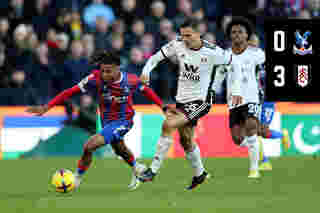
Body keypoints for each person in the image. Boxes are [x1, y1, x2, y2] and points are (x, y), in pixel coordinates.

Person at [26, 51, 168, 191]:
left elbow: (147, 91)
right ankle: (137, 168)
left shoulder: (130, 80)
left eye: (108, 71)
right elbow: (69, 92)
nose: (104, 74)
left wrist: (163, 107)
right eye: (102, 71)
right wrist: (47, 107)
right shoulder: (95, 78)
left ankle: (77, 178)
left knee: (89, 146)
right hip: (106, 120)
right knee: (119, 148)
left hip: (124, 120)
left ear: (118, 68)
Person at [138, 19, 242, 190]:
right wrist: (145, 71)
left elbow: (235, 63)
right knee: (186, 140)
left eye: (188, 35)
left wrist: (236, 89)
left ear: (198, 33)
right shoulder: (177, 44)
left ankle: (152, 170)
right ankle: (200, 174)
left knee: (168, 124)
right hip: (181, 100)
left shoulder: (213, 51)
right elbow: (155, 58)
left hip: (201, 101)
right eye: (182, 35)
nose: (184, 39)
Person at [212, 16, 263, 178]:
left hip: (251, 97)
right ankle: (256, 143)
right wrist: (212, 91)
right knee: (237, 139)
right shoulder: (225, 56)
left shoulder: (256, 54)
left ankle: (254, 169)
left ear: (247, 35)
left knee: (250, 126)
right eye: (233, 32)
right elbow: (219, 76)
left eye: (240, 32)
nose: (236, 35)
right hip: (233, 101)